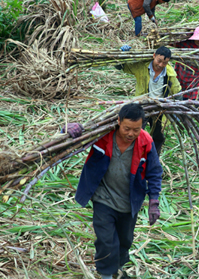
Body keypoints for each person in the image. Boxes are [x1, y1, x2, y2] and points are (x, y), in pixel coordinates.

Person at [64, 103, 162, 279]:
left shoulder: (146, 142)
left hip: (130, 201)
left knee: (124, 241)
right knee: (106, 240)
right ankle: (106, 275)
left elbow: (154, 172)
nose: (131, 133)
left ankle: (116, 268)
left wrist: (154, 201)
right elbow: (76, 138)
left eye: (136, 129)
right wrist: (66, 129)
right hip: (104, 198)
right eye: (126, 129)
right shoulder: (103, 135)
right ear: (118, 121)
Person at [117, 46, 181, 155]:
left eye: (164, 63)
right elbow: (121, 67)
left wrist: (176, 111)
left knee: (158, 135)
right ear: (154, 56)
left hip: (159, 107)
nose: (160, 65)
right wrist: (122, 54)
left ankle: (154, 157)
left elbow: (178, 92)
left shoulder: (170, 74)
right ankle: (129, 153)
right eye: (159, 61)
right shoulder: (142, 67)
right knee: (134, 131)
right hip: (141, 105)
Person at [171, 26, 199, 101]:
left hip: (195, 80)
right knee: (179, 96)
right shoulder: (186, 44)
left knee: (195, 100)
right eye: (197, 38)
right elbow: (171, 43)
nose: (198, 40)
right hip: (181, 75)